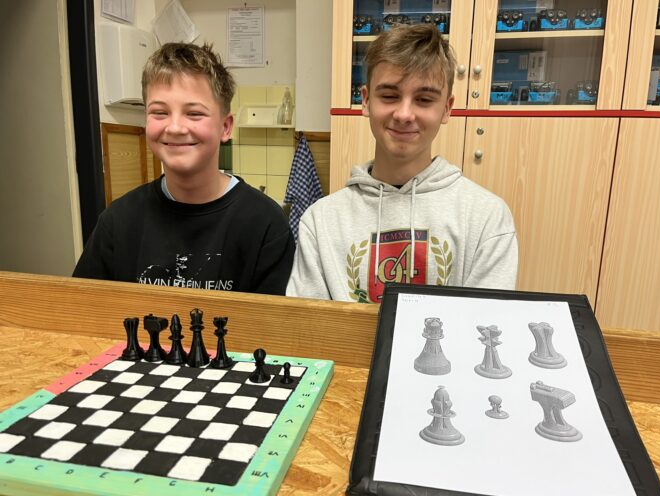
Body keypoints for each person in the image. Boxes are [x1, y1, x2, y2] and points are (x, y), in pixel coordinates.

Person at [287, 24, 517, 303]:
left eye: (424, 99)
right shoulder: (320, 221)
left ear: (447, 108)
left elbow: (483, 324)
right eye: (389, 96)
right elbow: (309, 325)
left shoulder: (487, 218)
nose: (404, 114)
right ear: (365, 101)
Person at [73, 43, 294, 294]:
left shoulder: (266, 225)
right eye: (160, 112)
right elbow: (81, 308)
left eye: (194, 113)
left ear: (225, 127)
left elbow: (273, 317)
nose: (175, 127)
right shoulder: (118, 221)